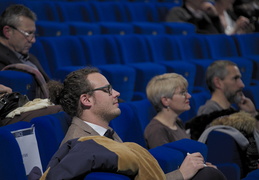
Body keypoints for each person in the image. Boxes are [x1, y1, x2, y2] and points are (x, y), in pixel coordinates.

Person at [52, 67, 226, 180]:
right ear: (86, 100)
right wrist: (180, 174)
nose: (117, 93)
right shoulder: (78, 142)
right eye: (107, 90)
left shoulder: (104, 132)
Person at [0, 4, 49, 83]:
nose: (33, 40)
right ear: (7, 31)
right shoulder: (2, 62)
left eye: (33, 34)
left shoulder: (31, 58)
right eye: (28, 33)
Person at [144, 73, 192, 149]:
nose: (189, 96)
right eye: (182, 93)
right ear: (165, 100)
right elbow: (164, 160)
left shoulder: (177, 121)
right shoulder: (156, 130)